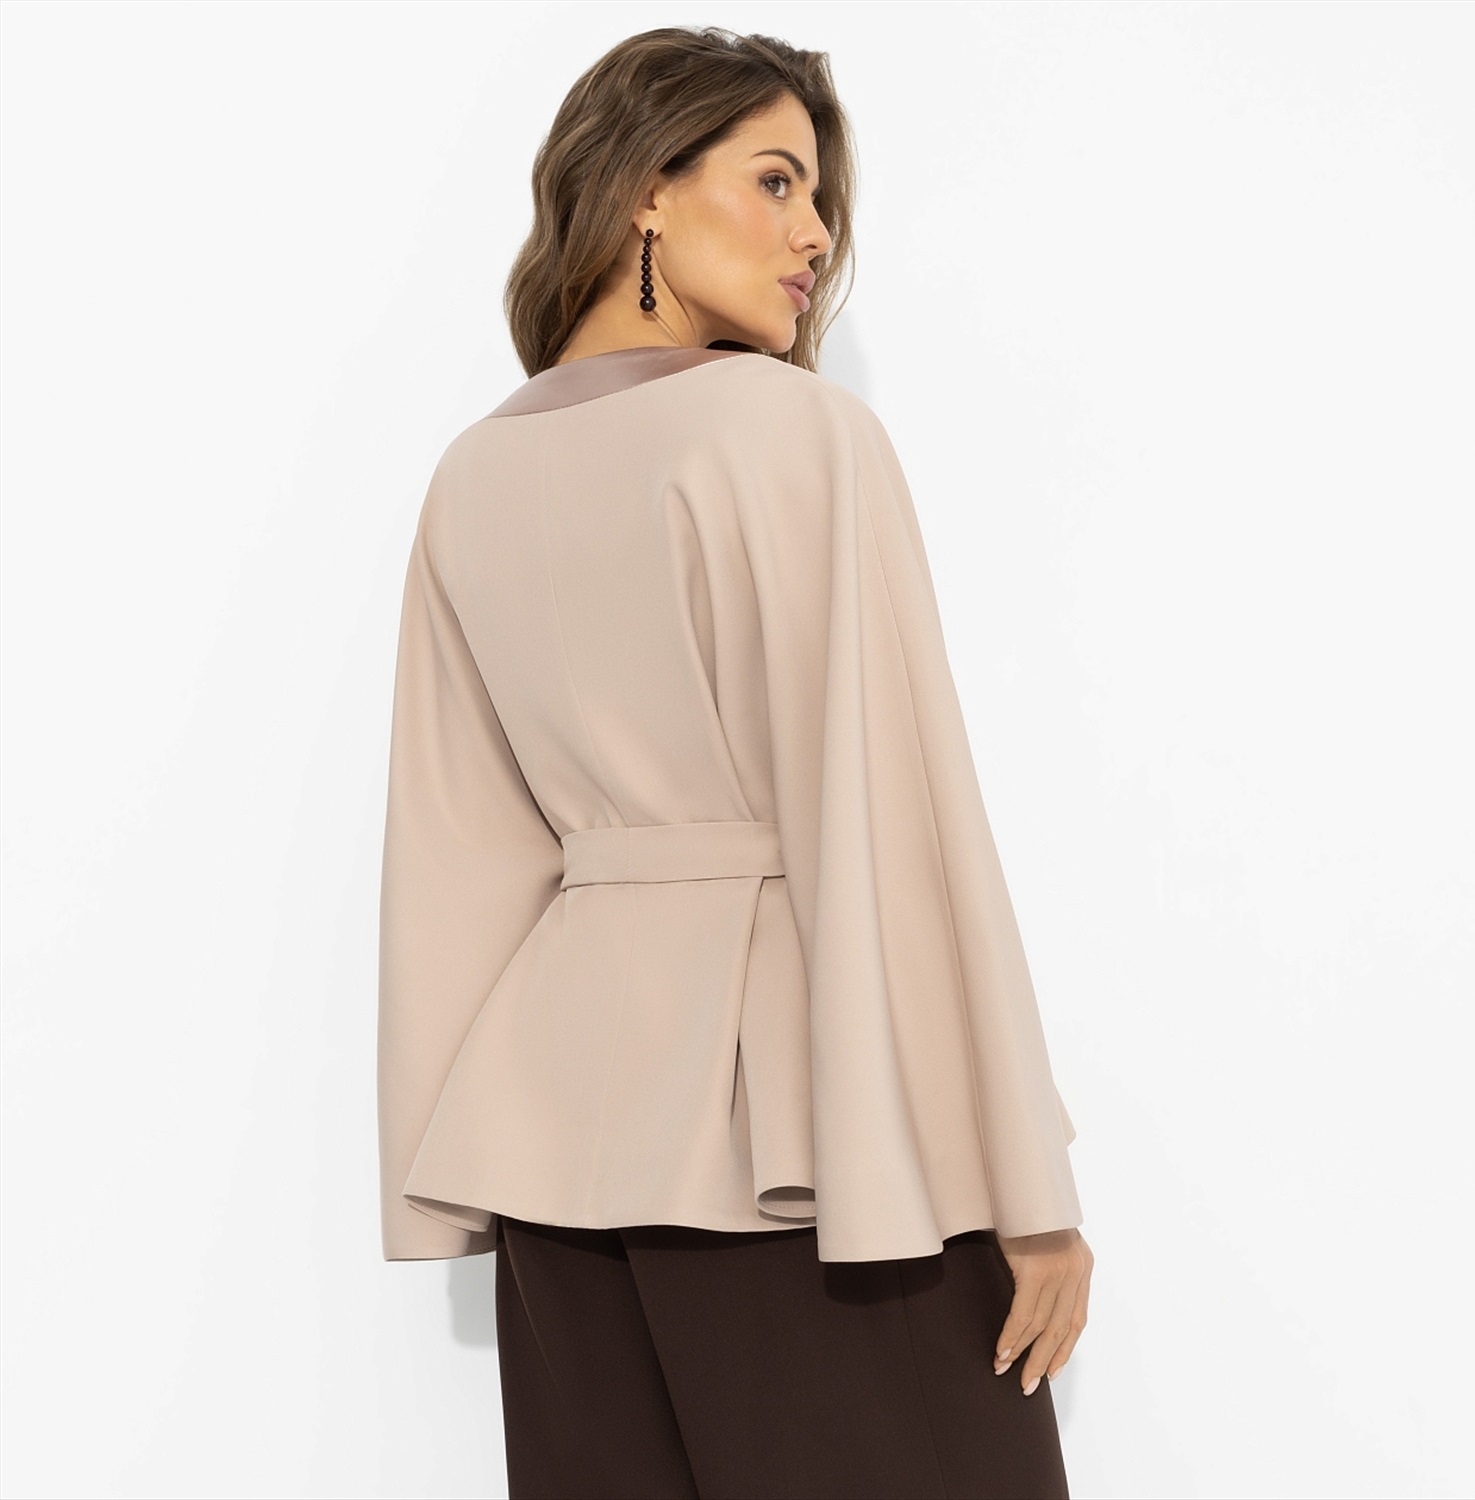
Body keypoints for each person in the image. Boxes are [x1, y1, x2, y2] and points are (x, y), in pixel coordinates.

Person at [377, 24, 1094, 1499]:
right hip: (803, 1147)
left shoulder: (470, 474)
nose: (816, 234)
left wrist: (449, 1169)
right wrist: (1028, 1188)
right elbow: (894, 826)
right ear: (645, 187)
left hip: (553, 1146)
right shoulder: (789, 431)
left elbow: (453, 854)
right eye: (775, 181)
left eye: (820, 199)